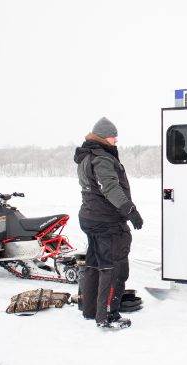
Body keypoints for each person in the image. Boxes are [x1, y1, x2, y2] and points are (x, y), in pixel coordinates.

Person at [74, 117, 143, 330]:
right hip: (107, 221)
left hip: (91, 218)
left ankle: (90, 309)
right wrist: (130, 211)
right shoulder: (102, 158)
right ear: (104, 137)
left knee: (95, 264)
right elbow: (110, 188)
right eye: (114, 137)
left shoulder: (87, 156)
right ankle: (107, 315)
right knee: (113, 268)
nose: (116, 140)